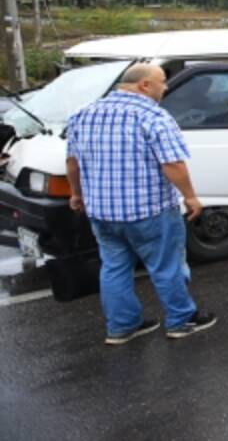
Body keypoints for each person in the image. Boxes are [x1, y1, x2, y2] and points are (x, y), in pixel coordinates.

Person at [64, 63, 217, 344]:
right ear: (144, 85)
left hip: (101, 212)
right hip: (149, 210)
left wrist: (77, 194)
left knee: (114, 267)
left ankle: (122, 327)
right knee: (166, 266)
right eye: (162, 82)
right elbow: (172, 163)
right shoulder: (153, 117)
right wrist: (190, 196)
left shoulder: (82, 115)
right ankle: (181, 320)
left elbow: (73, 162)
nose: (166, 87)